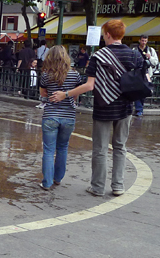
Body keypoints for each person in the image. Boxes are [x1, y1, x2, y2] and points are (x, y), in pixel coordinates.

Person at [50, 19, 141, 197]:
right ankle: (118, 186)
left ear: (107, 34)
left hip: (104, 108)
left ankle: (98, 187)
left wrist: (66, 94)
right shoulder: (134, 55)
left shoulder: (98, 56)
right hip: (125, 107)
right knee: (120, 147)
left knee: (100, 148)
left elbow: (90, 85)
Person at [38, 46, 82, 189]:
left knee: (49, 150)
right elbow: (77, 93)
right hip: (68, 116)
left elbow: (43, 93)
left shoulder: (46, 75)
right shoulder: (75, 75)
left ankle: (47, 182)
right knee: (63, 147)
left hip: (50, 115)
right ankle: (58, 178)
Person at [132, 34, 158, 116]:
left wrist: (150, 57)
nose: (143, 42)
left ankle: (140, 108)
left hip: (147, 74)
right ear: (139, 40)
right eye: (142, 40)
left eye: (145, 41)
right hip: (137, 73)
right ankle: (138, 109)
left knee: (144, 91)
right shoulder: (135, 49)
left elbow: (155, 62)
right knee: (136, 91)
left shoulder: (151, 50)